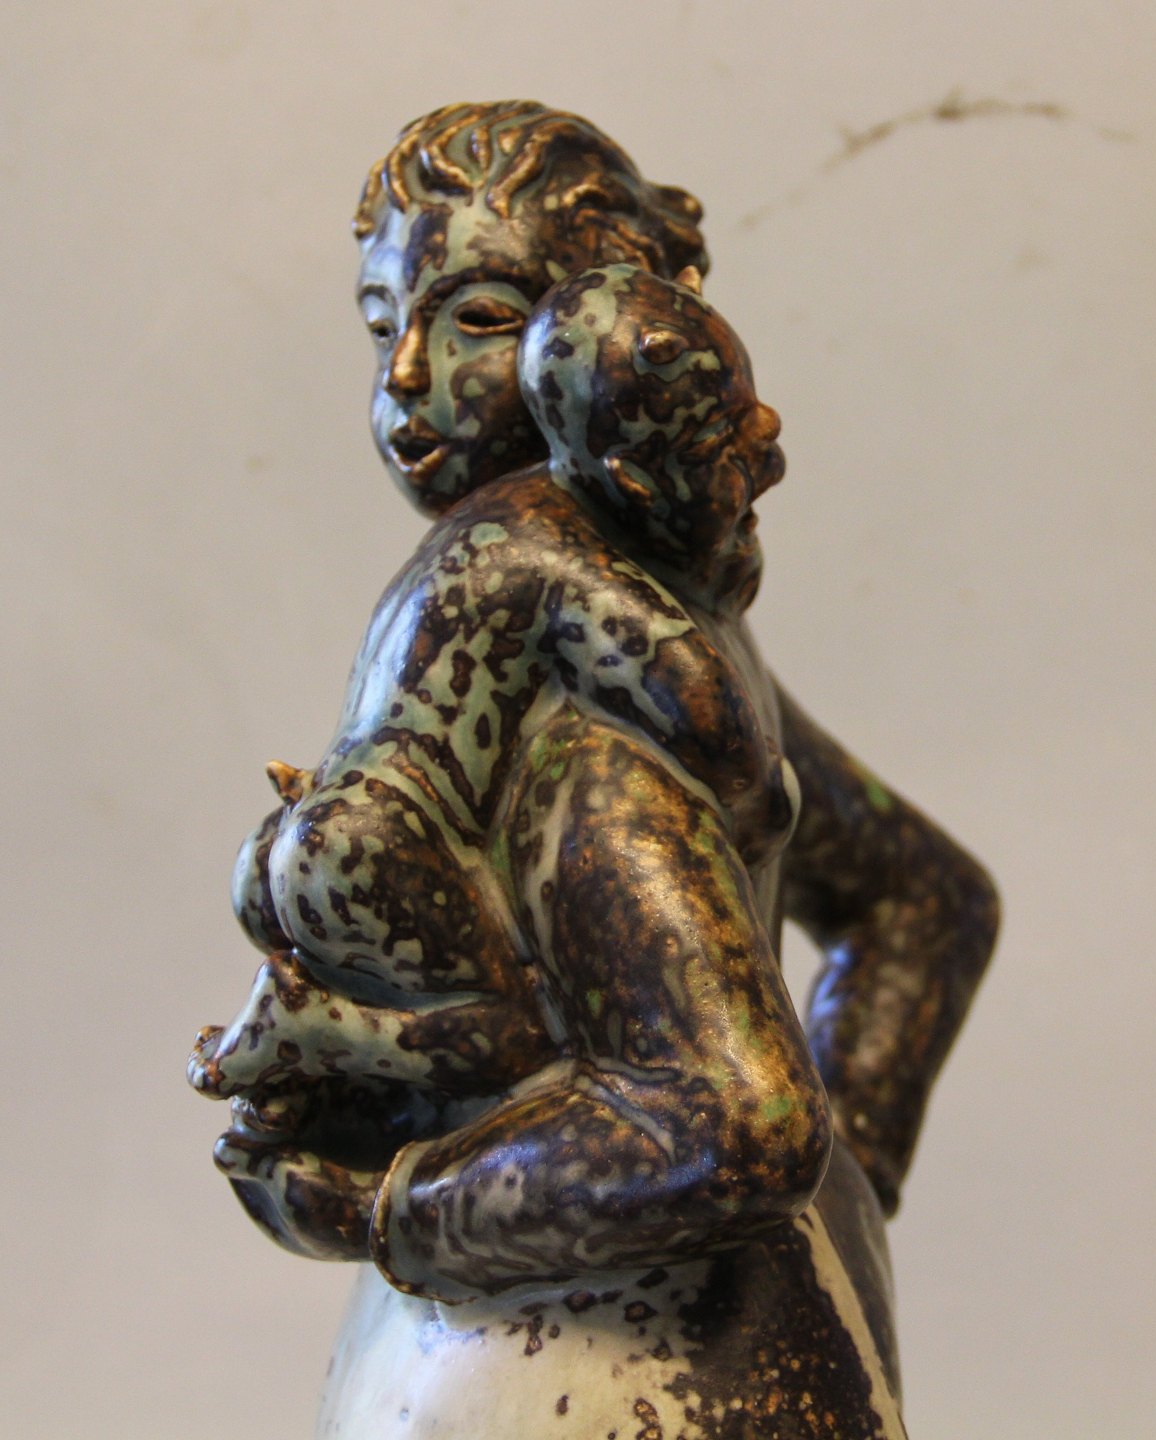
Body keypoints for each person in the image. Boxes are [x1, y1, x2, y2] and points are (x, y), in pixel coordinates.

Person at [191, 103, 999, 1434]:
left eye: (478, 318)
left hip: (618, 1372)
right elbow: (922, 904)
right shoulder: (644, 645)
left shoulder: (596, 751)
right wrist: (840, 1211)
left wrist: (393, 1212)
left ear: (601, 352)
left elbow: (742, 1123)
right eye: (383, 323)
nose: (405, 374)